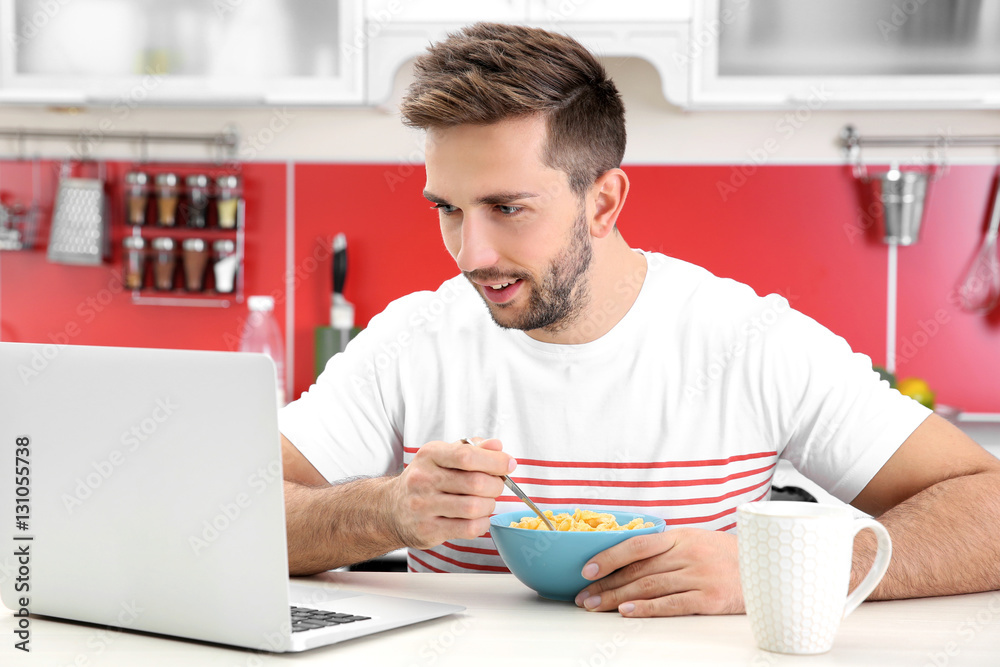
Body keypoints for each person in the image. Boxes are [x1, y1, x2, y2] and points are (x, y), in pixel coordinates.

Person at [278, 22, 1000, 617]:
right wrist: (390, 511)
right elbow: (229, 508)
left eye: (507, 208)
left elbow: (989, 506)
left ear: (603, 202)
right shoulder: (414, 340)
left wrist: (777, 572)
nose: (471, 253)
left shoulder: (748, 340)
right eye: (449, 209)